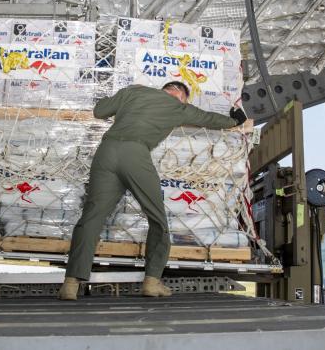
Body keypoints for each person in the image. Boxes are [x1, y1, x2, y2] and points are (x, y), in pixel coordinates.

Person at [58, 81, 247, 300]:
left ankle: (71, 284)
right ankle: (152, 281)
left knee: (92, 217)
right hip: (135, 154)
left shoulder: (133, 92)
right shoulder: (178, 107)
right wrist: (235, 119)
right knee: (157, 219)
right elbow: (210, 119)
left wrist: (119, 96)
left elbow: (100, 111)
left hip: (106, 152)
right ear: (181, 95)